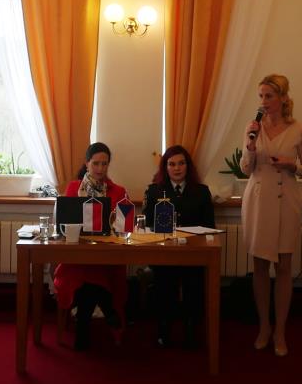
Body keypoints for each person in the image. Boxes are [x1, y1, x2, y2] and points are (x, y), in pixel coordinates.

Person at [241, 73, 302, 357]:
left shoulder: (298, 129)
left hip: (286, 200)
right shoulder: (253, 128)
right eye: (260, 96)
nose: (264, 101)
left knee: (283, 266)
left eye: (269, 96)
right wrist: (250, 147)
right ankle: (263, 326)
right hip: (259, 200)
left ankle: (280, 331)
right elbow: (245, 169)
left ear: (283, 98)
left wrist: (291, 165)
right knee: (260, 265)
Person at [52, 142, 133, 350]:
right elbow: (64, 222)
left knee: (92, 274)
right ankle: (107, 307)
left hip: (107, 257)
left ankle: (83, 331)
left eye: (104, 164)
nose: (100, 168)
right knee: (88, 274)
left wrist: (117, 221)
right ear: (87, 163)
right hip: (76, 257)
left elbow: (126, 225)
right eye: (96, 163)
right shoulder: (73, 188)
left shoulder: (118, 191)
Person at [143, 145, 215, 348]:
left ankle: (191, 327)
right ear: (165, 167)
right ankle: (164, 328)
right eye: (172, 164)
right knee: (164, 282)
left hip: (194, 253)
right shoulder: (154, 191)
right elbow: (147, 225)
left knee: (194, 283)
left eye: (181, 163)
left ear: (188, 166)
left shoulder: (201, 192)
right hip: (165, 252)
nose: (177, 168)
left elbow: (210, 226)